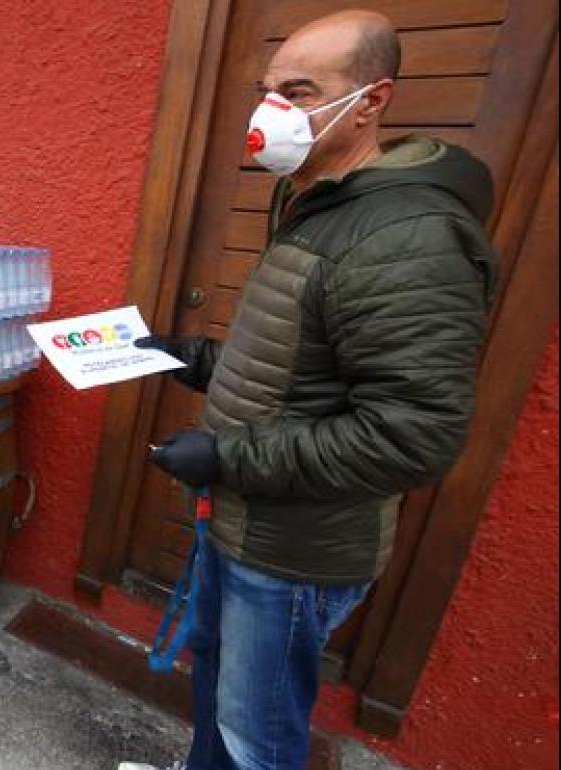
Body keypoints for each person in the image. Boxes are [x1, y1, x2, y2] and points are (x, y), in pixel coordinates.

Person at [125, 10, 496, 770]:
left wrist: (225, 457)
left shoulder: (407, 236)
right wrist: (186, 357)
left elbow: (410, 435)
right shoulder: (317, 199)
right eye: (268, 91)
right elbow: (297, 367)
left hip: (292, 556)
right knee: (218, 695)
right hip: (244, 527)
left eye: (299, 91)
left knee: (254, 737)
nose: (272, 112)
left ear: (370, 100)